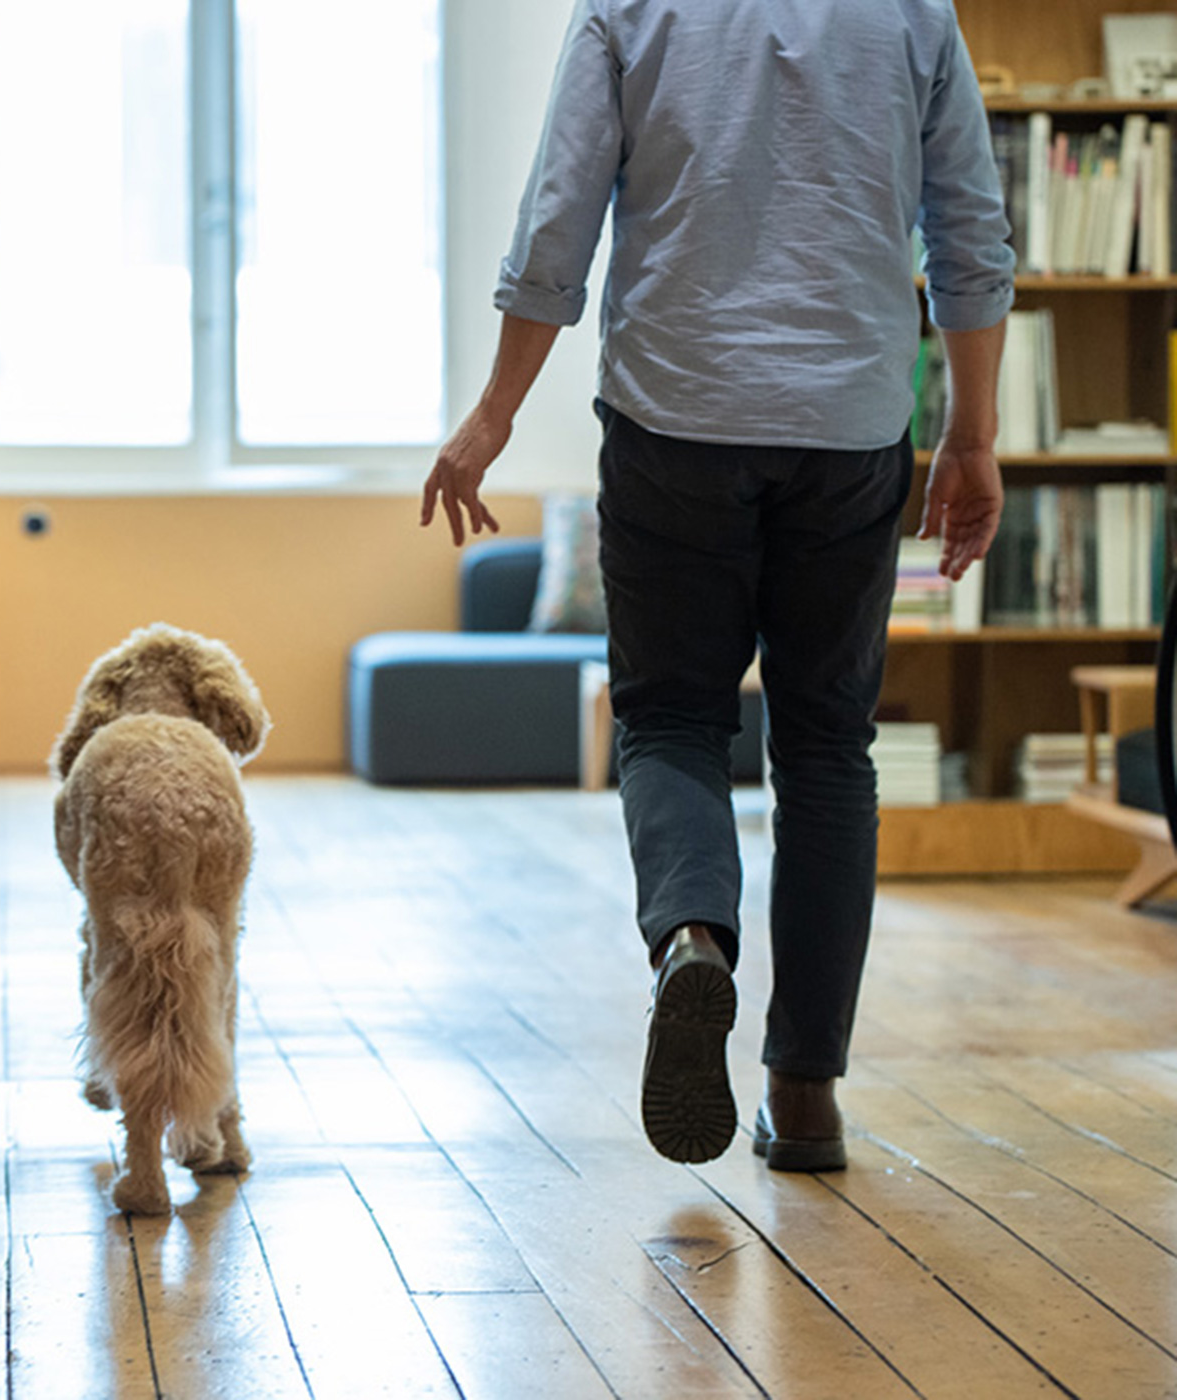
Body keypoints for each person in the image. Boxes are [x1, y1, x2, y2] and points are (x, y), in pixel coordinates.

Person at [420, 0, 1013, 1170]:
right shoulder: (911, 13)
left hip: (671, 420)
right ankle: (803, 1096)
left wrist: (491, 414)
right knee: (827, 746)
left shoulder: (629, 7)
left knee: (672, 719)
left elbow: (558, 222)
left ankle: (693, 939)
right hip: (848, 428)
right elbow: (968, 231)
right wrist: (972, 434)